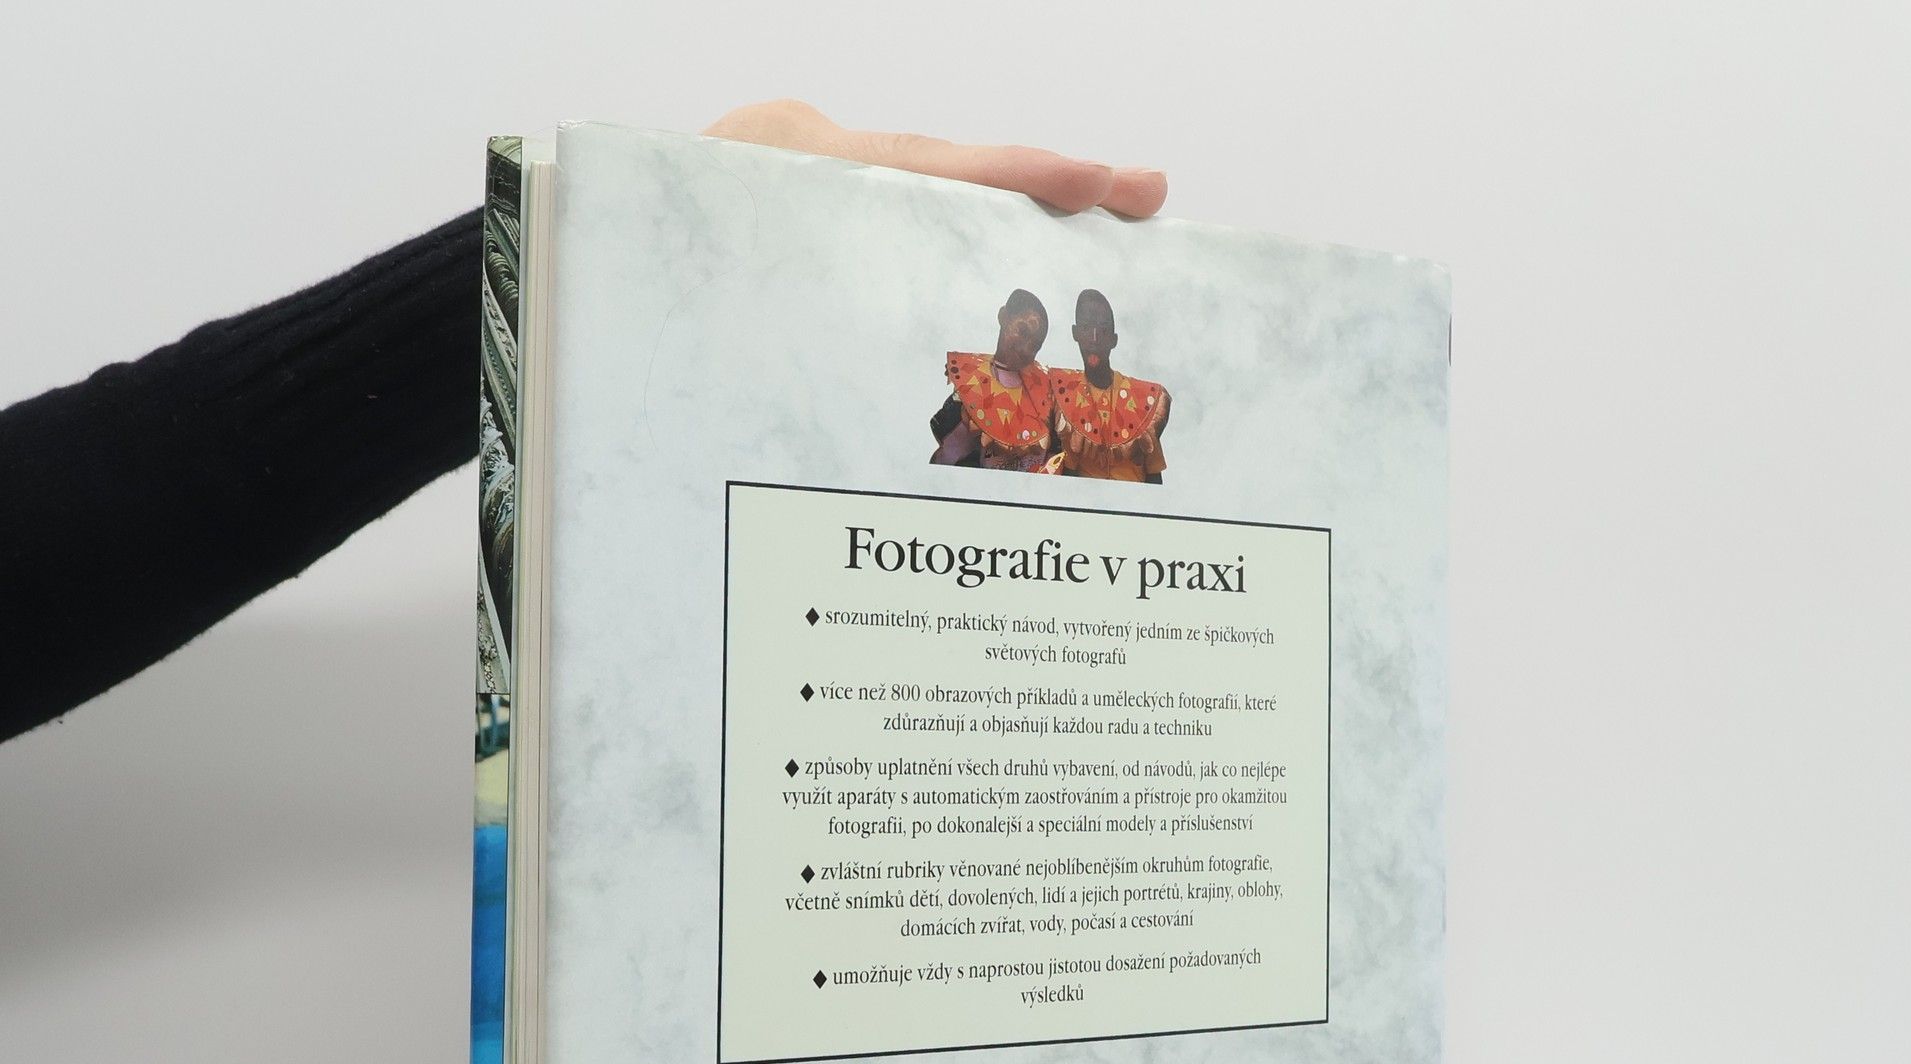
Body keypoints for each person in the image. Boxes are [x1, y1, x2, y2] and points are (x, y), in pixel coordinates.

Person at [0, 102, 1165, 745]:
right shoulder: (976, 390)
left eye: (1060, 328)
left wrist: (589, 249)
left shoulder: (1133, 406)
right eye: (1033, 325)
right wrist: (597, 245)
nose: (1047, 338)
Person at [1046, 288, 1171, 482]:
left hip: (1133, 498)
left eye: (1103, 330)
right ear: (1075, 333)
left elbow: (1153, 473)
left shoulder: (1145, 398)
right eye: (1086, 328)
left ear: (1114, 340)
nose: (1094, 339)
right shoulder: (1061, 391)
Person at [930, 289, 1056, 471]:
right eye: (1022, 331)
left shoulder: (1046, 391)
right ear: (1003, 316)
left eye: (1035, 345)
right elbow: (951, 449)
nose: (1025, 348)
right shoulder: (972, 378)